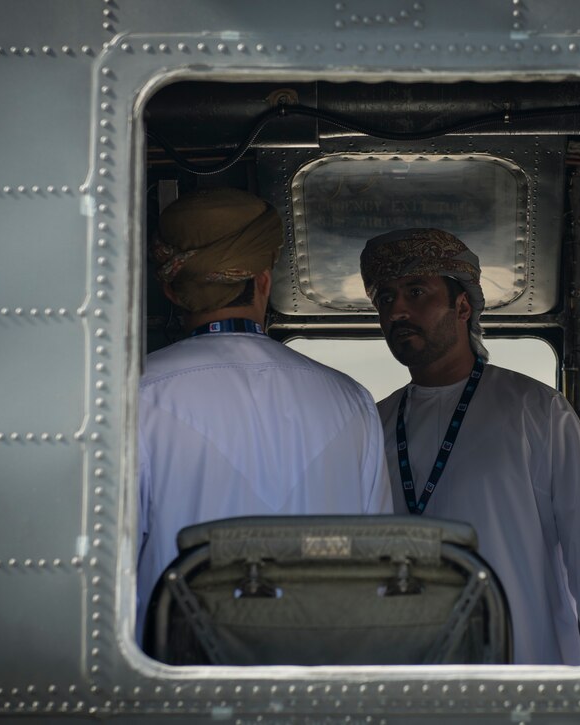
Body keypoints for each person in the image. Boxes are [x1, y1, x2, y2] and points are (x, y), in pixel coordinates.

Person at [137, 188, 393, 642]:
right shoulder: (351, 400)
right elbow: (377, 563)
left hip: (174, 686)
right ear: (263, 279)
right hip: (321, 685)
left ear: (173, 291)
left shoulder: (134, 395)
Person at [359, 228, 580, 665]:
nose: (397, 310)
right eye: (385, 299)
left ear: (463, 306)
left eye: (416, 291)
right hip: (406, 679)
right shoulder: (373, 423)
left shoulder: (536, 411)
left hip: (520, 676)